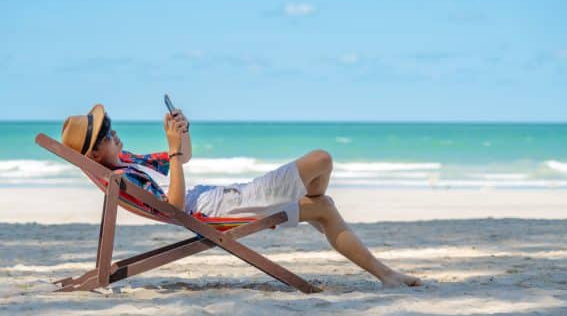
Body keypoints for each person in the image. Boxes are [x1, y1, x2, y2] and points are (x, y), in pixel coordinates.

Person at [61, 104, 422, 288]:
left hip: (222, 197)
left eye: (109, 126)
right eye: (107, 133)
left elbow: (182, 158)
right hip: (222, 209)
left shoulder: (127, 160)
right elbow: (173, 208)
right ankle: (323, 226)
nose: (115, 133)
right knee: (321, 160)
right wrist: (172, 152)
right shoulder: (123, 179)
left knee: (323, 206)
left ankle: (384, 273)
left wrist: (179, 137)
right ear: (93, 155)